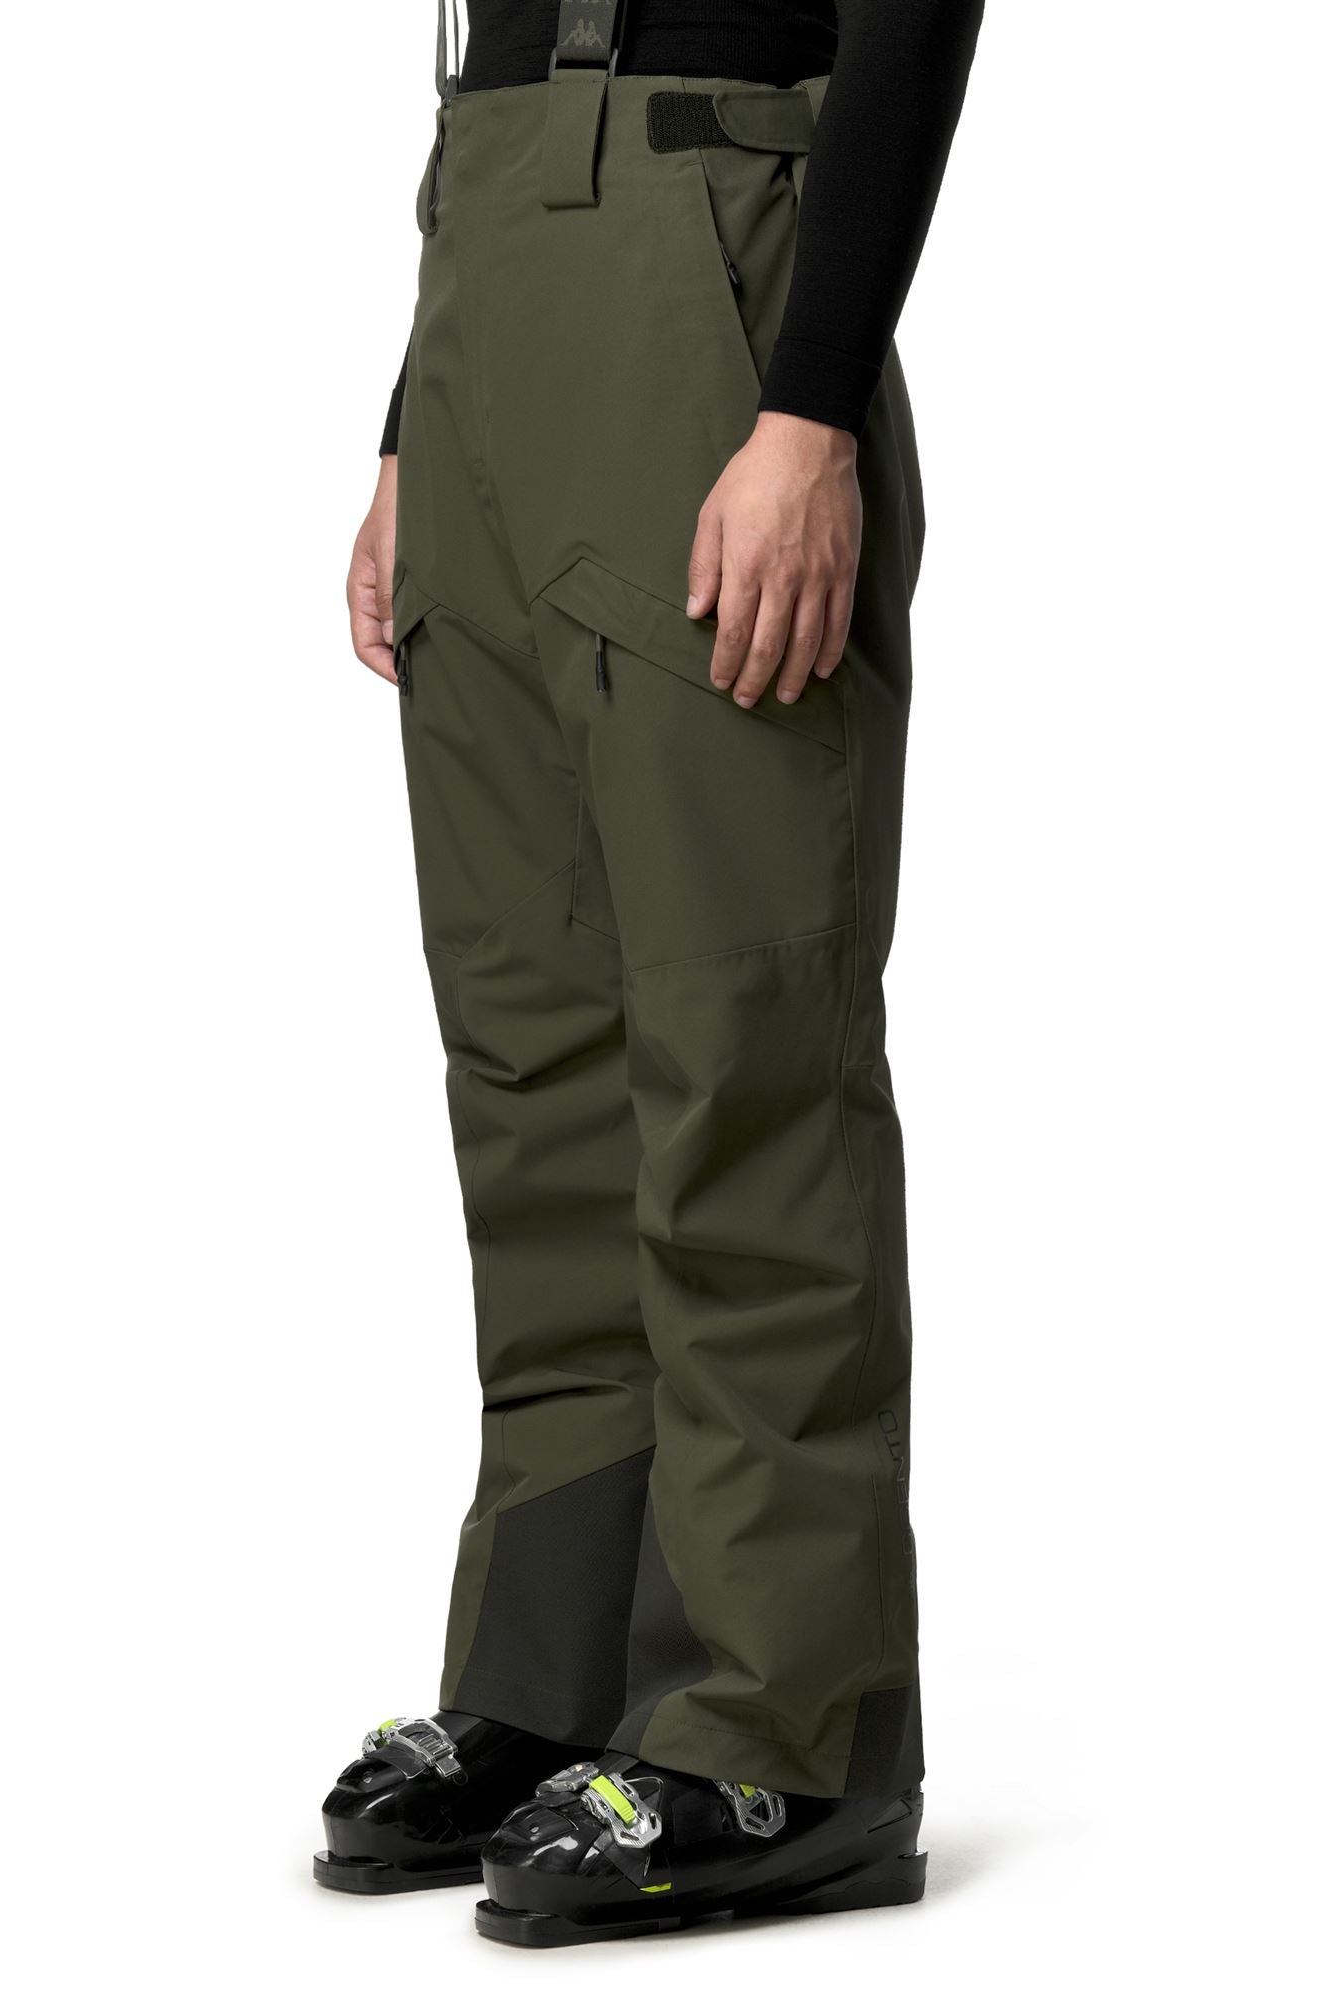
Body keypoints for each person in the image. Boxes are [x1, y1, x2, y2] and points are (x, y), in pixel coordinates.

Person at [319, 0, 985, 1947]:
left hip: (719, 291)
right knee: (536, 1073)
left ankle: (790, 1729)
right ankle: (555, 1680)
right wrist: (408, 423)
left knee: (736, 1052)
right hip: (486, 293)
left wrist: (810, 405)